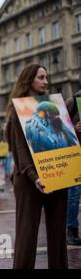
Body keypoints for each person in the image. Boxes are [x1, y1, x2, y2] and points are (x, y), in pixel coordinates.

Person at [6, 64, 68, 269]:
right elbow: (20, 149)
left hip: (57, 174)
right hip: (28, 179)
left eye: (46, 77)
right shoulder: (18, 109)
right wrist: (34, 177)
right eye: (41, 77)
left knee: (58, 234)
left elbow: (66, 142)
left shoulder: (55, 106)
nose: (46, 81)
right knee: (27, 234)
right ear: (29, 79)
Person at [65, 89, 81, 245]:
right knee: (74, 194)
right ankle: (72, 230)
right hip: (75, 155)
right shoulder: (73, 102)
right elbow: (58, 126)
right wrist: (74, 129)